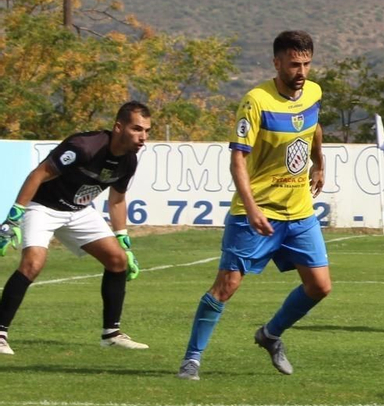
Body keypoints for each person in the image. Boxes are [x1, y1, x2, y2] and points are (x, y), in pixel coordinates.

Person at [178, 30, 330, 380]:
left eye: (306, 63)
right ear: (276, 63)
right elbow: (237, 161)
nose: (302, 71)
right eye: (294, 64)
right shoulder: (255, 102)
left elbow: (314, 126)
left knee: (320, 286)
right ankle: (192, 359)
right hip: (257, 211)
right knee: (227, 285)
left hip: (299, 212)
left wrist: (320, 162)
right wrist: (252, 208)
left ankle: (270, 334)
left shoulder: (314, 92)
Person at [0, 101, 152, 355]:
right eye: (137, 129)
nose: (143, 137)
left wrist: (123, 238)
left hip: (78, 212)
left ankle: (111, 334)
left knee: (117, 260)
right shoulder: (84, 147)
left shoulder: (129, 161)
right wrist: (14, 217)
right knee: (32, 264)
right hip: (44, 207)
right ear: (118, 127)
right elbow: (38, 174)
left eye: (147, 131)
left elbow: (117, 199)